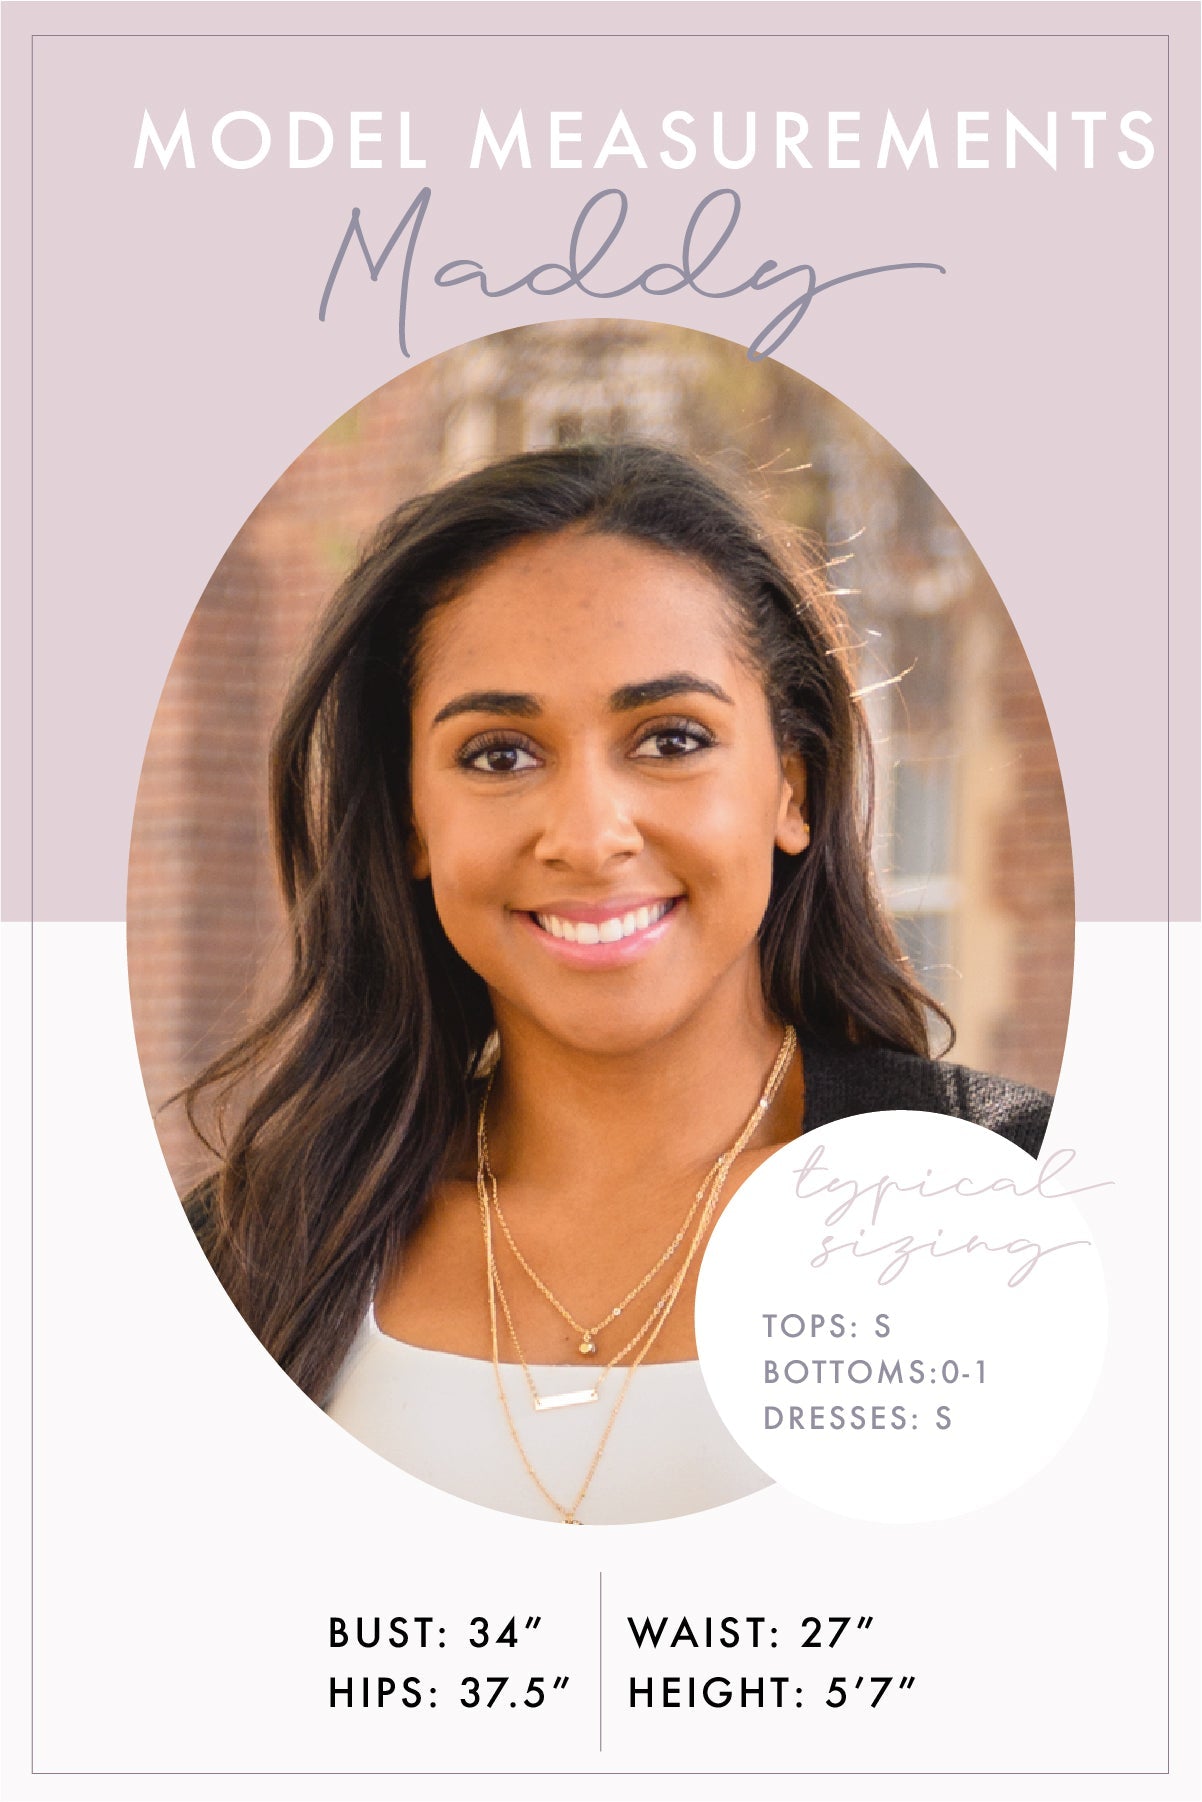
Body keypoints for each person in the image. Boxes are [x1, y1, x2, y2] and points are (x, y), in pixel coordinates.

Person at [184, 441, 1052, 1524]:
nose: (589, 836)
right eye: (499, 754)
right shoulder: (249, 1252)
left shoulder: (1020, 1203)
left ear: (793, 782)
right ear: (411, 819)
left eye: (670, 739)